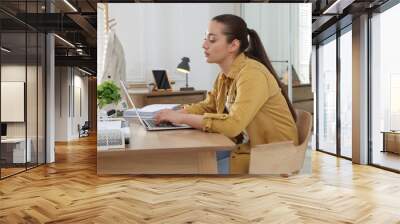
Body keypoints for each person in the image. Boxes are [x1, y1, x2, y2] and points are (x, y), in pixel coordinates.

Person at [154, 14, 298, 174]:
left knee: (192, 170)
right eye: (205, 39)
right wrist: (176, 114)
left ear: (233, 45)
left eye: (212, 39)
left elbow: (232, 125)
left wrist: (181, 118)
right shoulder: (224, 76)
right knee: (187, 160)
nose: (204, 45)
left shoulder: (252, 74)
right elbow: (208, 105)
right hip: (248, 148)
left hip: (271, 157)